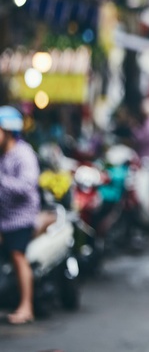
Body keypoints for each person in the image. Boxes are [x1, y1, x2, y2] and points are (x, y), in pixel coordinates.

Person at [0, 106, 40, 324]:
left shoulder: (23, 154)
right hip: (3, 218)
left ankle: (27, 306)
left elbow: (26, 185)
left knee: (17, 255)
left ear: (7, 131)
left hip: (20, 218)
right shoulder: (3, 155)